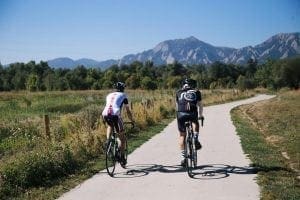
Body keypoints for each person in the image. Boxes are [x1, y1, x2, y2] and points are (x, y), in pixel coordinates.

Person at [102, 81, 134, 167]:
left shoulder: (109, 95)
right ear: (123, 88)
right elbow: (127, 111)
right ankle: (122, 157)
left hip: (105, 114)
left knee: (110, 125)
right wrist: (132, 120)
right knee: (122, 138)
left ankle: (108, 140)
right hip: (116, 115)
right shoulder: (124, 96)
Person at [175, 78, 204, 166]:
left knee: (182, 136)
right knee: (196, 123)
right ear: (192, 85)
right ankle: (195, 138)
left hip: (181, 114)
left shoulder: (178, 92)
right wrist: (200, 115)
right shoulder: (196, 92)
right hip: (192, 113)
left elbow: (176, 106)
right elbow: (200, 105)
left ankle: (184, 159)